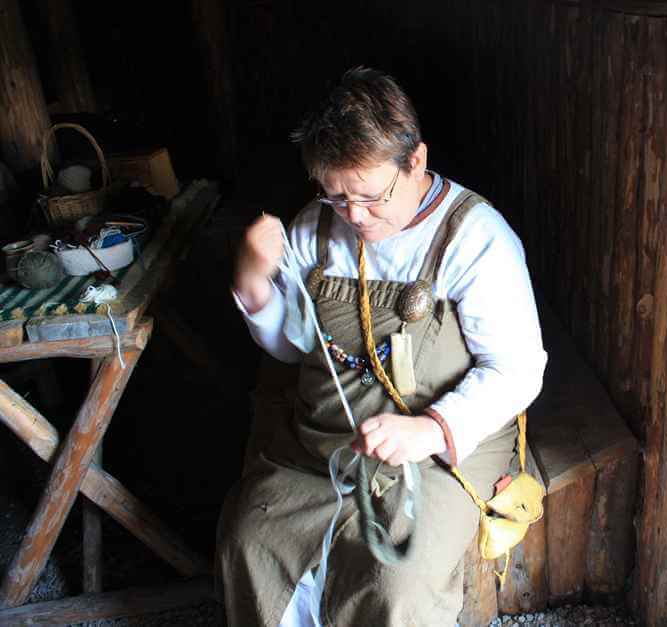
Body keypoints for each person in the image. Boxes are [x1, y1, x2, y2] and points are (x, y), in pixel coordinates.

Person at [217, 66, 547, 627]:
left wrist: (428, 429)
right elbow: (297, 347)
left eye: (371, 196)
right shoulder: (314, 230)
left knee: (397, 581)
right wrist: (253, 285)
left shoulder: (473, 237)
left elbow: (518, 370)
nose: (355, 216)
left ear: (414, 161)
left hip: (441, 450)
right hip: (324, 441)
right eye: (337, 197)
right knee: (249, 539)